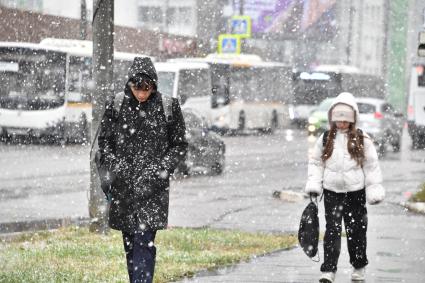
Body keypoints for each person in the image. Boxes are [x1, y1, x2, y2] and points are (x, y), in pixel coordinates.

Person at [97, 57, 188, 283]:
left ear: (153, 85)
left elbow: (179, 146)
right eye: (137, 88)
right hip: (123, 191)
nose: (141, 94)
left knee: (143, 242)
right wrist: (115, 166)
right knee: (130, 247)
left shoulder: (168, 107)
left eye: (146, 89)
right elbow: (104, 143)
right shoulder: (116, 105)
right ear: (129, 85)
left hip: (152, 191)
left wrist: (161, 169)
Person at [304, 92, 385, 283]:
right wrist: (315, 184)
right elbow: (316, 163)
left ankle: (358, 268)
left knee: (356, 231)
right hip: (332, 193)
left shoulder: (362, 138)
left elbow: (371, 166)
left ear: (353, 119)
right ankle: (328, 271)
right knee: (331, 232)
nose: (341, 124)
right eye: (338, 120)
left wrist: (374, 189)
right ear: (333, 118)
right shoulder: (326, 138)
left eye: (345, 120)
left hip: (355, 193)